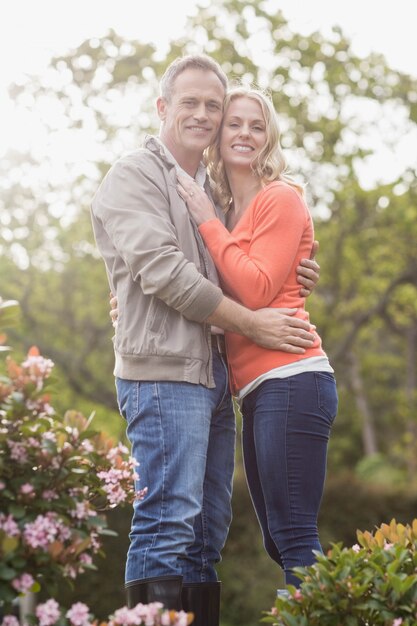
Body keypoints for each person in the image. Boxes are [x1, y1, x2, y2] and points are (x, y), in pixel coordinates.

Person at [91, 55, 319, 624]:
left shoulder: (209, 190)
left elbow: (240, 270)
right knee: (168, 518)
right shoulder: (134, 175)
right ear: (163, 107)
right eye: (189, 102)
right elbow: (163, 271)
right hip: (165, 373)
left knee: (205, 530)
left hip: (216, 377)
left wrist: (297, 269)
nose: (203, 114)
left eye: (212, 106)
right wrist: (253, 323)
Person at [177, 86, 338, 592]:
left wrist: (204, 217)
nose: (244, 133)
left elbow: (256, 287)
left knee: (293, 535)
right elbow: (222, 301)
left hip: (293, 378)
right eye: (235, 123)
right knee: (278, 539)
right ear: (219, 134)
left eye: (257, 125)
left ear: (269, 139)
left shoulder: (280, 198)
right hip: (259, 390)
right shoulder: (228, 214)